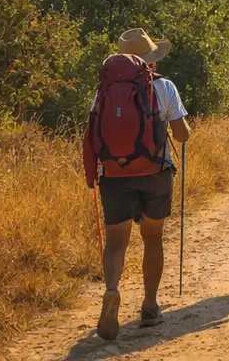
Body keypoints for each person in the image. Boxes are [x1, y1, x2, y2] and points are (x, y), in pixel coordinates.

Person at [82, 28, 191, 341]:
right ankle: (149, 306)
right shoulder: (164, 87)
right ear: (151, 60)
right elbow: (181, 134)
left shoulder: (104, 89)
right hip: (154, 172)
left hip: (114, 176)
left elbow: (93, 133)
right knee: (152, 237)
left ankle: (112, 290)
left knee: (117, 242)